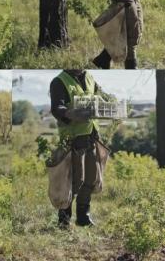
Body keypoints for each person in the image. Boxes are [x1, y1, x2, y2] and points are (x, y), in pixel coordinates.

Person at [50, 69, 109, 227]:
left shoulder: (89, 77)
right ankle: (64, 219)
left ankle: (83, 216)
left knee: (90, 177)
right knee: (75, 180)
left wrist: (109, 103)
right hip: (73, 138)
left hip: (91, 135)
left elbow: (101, 96)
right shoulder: (59, 81)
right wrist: (71, 113)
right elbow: (56, 108)